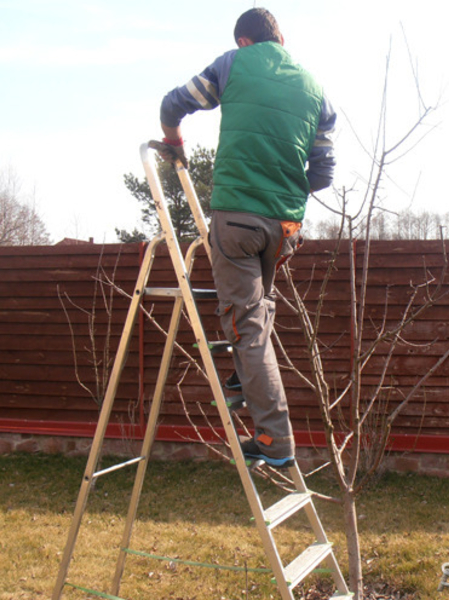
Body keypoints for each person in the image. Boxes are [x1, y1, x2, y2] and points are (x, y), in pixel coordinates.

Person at [158, 8, 336, 467]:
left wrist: (174, 144)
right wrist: (284, 187)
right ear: (280, 39)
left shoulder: (233, 63)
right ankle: (244, 376)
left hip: (237, 218)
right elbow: (323, 174)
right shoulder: (316, 91)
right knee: (258, 310)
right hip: (285, 228)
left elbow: (172, 105)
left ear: (243, 41)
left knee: (248, 328)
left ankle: (275, 439)